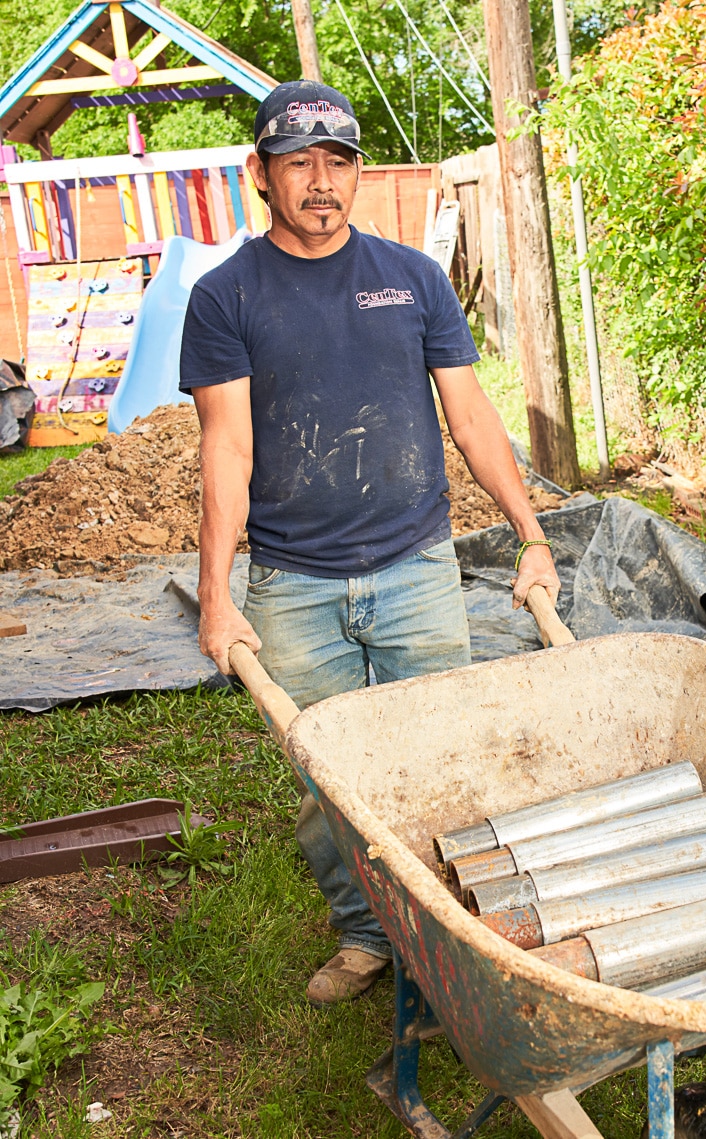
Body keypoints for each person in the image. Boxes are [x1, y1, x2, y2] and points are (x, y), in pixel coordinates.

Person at [179, 80, 560, 1006]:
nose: (320, 182)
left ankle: (465, 929)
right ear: (259, 174)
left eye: (337, 162)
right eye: (298, 162)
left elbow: (469, 416)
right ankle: (368, 935)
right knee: (331, 786)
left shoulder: (412, 278)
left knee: (442, 759)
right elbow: (226, 449)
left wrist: (531, 535)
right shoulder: (225, 296)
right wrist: (219, 592)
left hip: (418, 568)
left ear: (357, 173)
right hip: (291, 583)